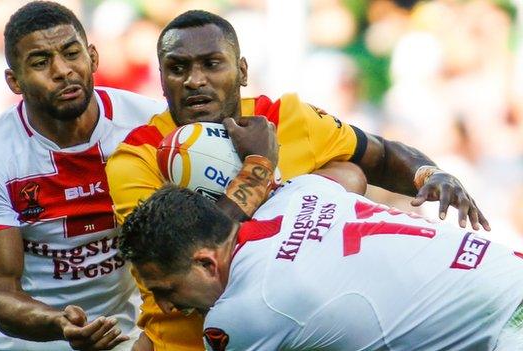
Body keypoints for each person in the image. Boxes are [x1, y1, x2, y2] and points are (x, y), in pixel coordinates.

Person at [106, 10, 491, 350]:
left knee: (349, 174)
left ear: (241, 70)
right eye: (177, 68)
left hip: (313, 333)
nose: (194, 80)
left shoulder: (286, 117)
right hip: (190, 342)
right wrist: (259, 167)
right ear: (160, 77)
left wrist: (430, 173)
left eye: (211, 64)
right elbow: (196, 251)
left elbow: (382, 155)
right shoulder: (135, 159)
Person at [0, 2, 167, 350]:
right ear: (14, 81)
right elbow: (0, 294)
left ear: (93, 57)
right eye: (40, 62)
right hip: (16, 340)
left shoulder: (152, 124)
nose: (62, 70)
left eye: (71, 53)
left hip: (118, 335)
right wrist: (60, 323)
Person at [120, 172, 523, 351]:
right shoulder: (300, 188)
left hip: (508, 326)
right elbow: (350, 173)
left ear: (208, 263)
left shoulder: (243, 314)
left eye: (166, 290)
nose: (169, 308)